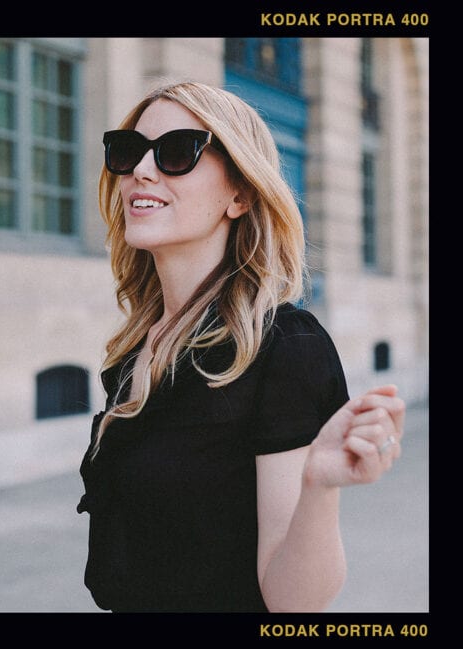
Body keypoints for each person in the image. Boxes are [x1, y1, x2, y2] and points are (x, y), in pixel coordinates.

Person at [77, 81, 406, 613]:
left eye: (177, 152)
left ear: (241, 194)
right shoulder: (136, 347)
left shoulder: (286, 348)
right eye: (128, 151)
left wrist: (319, 488)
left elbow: (294, 604)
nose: (141, 169)